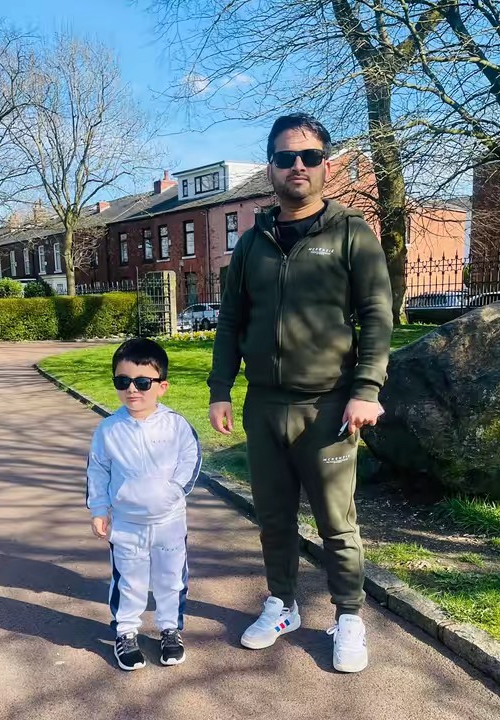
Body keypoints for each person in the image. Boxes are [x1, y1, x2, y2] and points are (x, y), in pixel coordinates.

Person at [208, 113, 393, 673]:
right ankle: (282, 604)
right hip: (264, 404)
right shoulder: (252, 243)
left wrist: (366, 387)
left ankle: (349, 617)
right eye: (286, 157)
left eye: (309, 157)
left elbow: (377, 315)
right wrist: (220, 389)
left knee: (337, 523)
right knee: (273, 518)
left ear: (325, 167)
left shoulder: (351, 234)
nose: (297, 166)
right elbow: (231, 320)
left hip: (329, 406)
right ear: (270, 167)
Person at [86, 338, 201, 671]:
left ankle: (170, 629)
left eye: (142, 382)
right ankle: (126, 632)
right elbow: (98, 470)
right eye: (123, 381)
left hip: (169, 522)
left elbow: (191, 459)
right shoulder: (108, 430)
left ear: (161, 386)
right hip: (127, 524)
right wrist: (99, 509)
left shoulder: (176, 425)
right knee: (129, 581)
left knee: (170, 579)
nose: (132, 390)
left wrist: (173, 491)